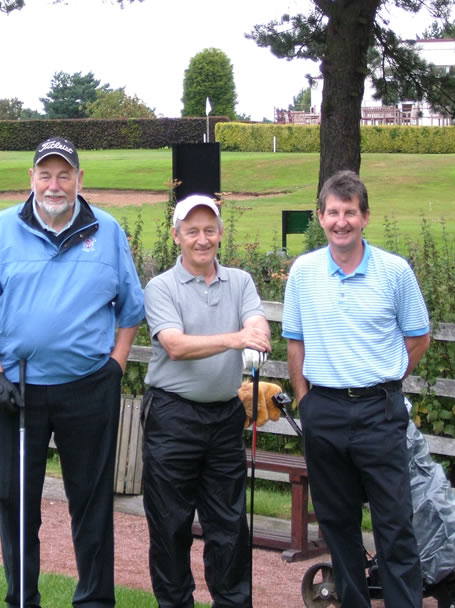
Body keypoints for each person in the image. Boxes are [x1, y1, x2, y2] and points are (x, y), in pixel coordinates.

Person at [0, 136, 145, 608]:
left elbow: (130, 309)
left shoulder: (108, 231)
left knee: (92, 503)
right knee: (15, 502)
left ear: (80, 179)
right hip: (15, 391)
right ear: (32, 179)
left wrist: (116, 366)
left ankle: (95, 601)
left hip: (88, 389)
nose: (54, 185)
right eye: (45, 175)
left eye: (64, 175)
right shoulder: (0, 229)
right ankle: (23, 599)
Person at [281, 170, 431, 608]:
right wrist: (305, 402)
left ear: (365, 217)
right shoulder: (303, 272)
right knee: (337, 526)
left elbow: (419, 337)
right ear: (320, 217)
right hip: (324, 410)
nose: (341, 221)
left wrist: (388, 377)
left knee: (395, 526)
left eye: (350, 212)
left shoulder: (394, 272)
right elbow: (295, 342)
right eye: (333, 212)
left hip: (379, 412)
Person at [141, 194, 271, 608]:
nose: (202, 239)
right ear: (176, 235)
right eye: (192, 231)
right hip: (172, 417)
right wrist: (236, 339)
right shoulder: (161, 287)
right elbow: (175, 346)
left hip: (224, 416)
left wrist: (255, 333)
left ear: (220, 234)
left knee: (230, 524)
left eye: (210, 230)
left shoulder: (241, 281)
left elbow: (256, 323)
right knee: (170, 525)